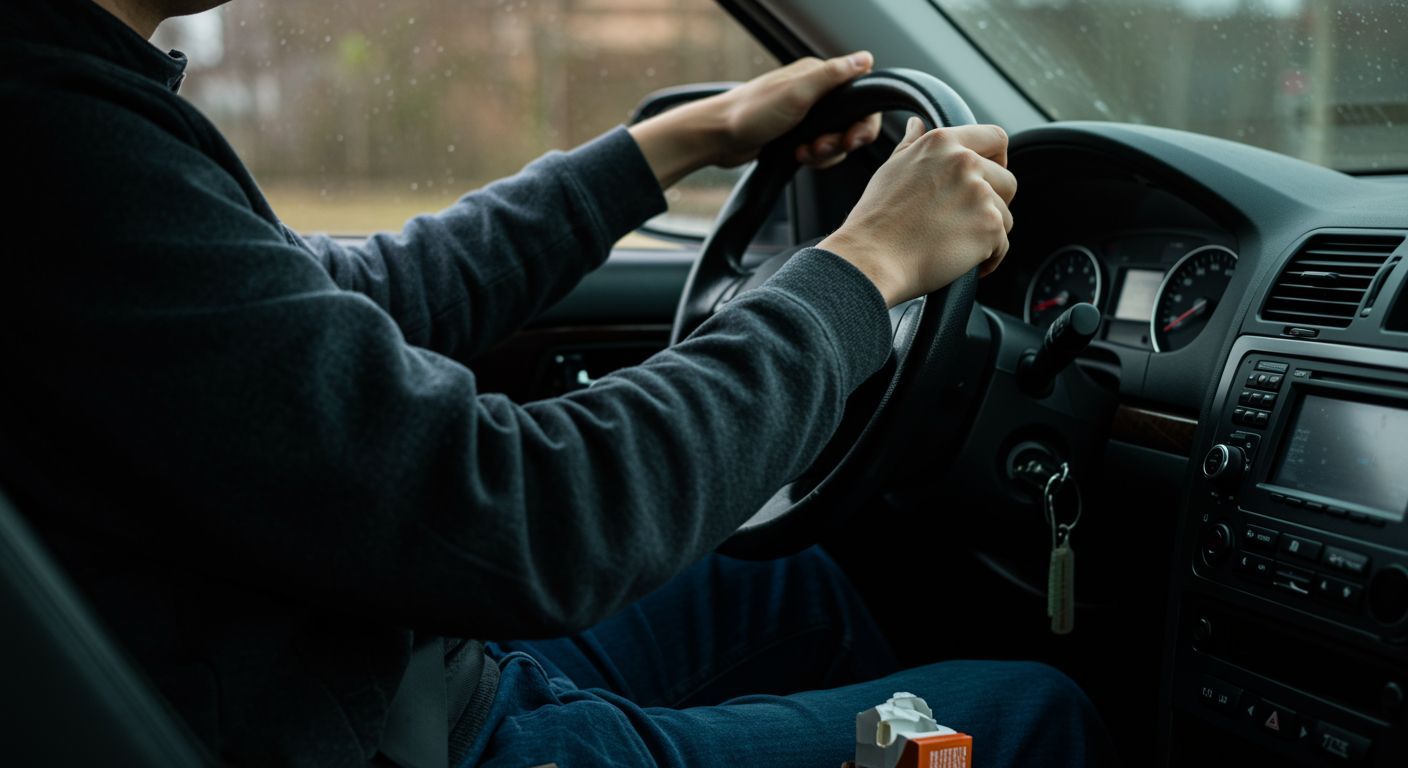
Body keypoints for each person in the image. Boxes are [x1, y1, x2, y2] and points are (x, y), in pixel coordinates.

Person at [0, 0, 1115, 766]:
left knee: (789, 585)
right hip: (391, 737)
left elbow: (353, 299)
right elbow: (522, 514)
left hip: (358, 669)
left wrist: (679, 142)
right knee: (1034, 719)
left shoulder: (79, 103)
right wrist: (864, 270)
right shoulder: (57, 142)